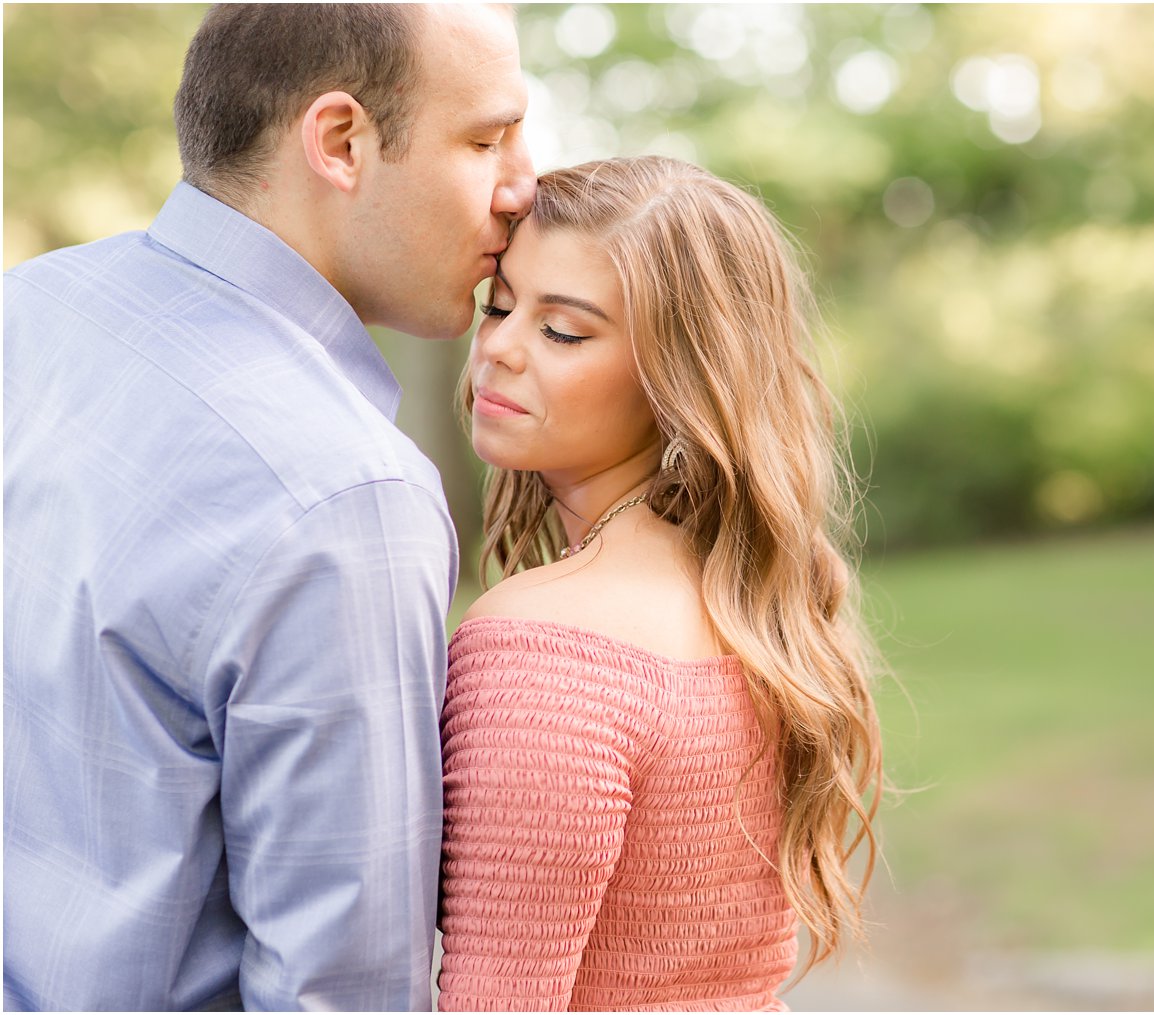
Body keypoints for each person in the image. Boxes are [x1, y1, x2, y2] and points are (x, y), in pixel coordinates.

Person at [2, 5, 533, 1010]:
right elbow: (345, 992)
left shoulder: (26, 312)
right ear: (340, 142)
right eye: (486, 137)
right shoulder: (343, 496)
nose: (523, 184)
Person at [437, 156, 884, 1011]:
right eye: (498, 306)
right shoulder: (758, 614)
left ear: (676, 378)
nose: (497, 346)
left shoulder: (542, 649)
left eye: (562, 331)